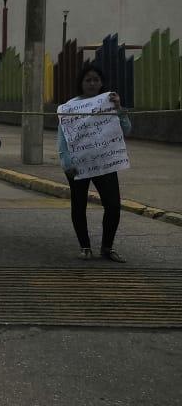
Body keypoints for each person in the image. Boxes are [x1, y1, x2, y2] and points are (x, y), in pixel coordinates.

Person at [58, 63, 132, 262]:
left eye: (96, 80)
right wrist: (66, 162)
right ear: (81, 83)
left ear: (101, 83)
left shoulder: (109, 102)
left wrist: (119, 108)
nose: (92, 84)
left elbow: (126, 129)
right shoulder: (70, 107)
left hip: (105, 163)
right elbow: (63, 138)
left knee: (113, 205)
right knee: (79, 204)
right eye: (88, 80)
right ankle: (85, 247)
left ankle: (107, 248)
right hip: (78, 164)